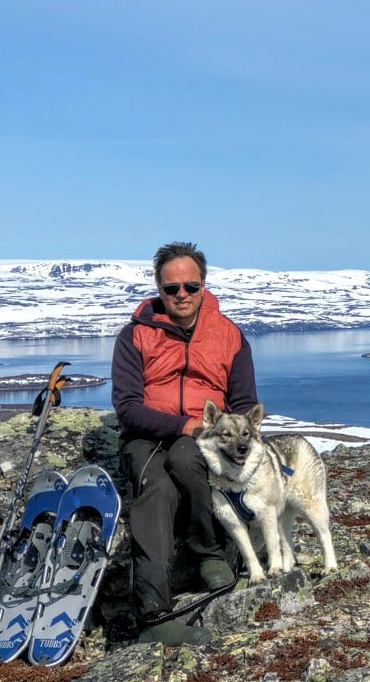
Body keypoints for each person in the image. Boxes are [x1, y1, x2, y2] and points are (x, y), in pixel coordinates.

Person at [111, 241, 258, 646]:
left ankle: (208, 550)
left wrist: (227, 434)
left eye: (190, 287)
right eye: (171, 288)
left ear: (203, 285)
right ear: (158, 288)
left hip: (204, 438)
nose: (181, 295)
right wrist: (183, 424)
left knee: (188, 460)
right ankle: (154, 616)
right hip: (146, 435)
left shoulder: (228, 335)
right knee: (153, 491)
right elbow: (126, 407)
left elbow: (244, 403)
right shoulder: (135, 335)